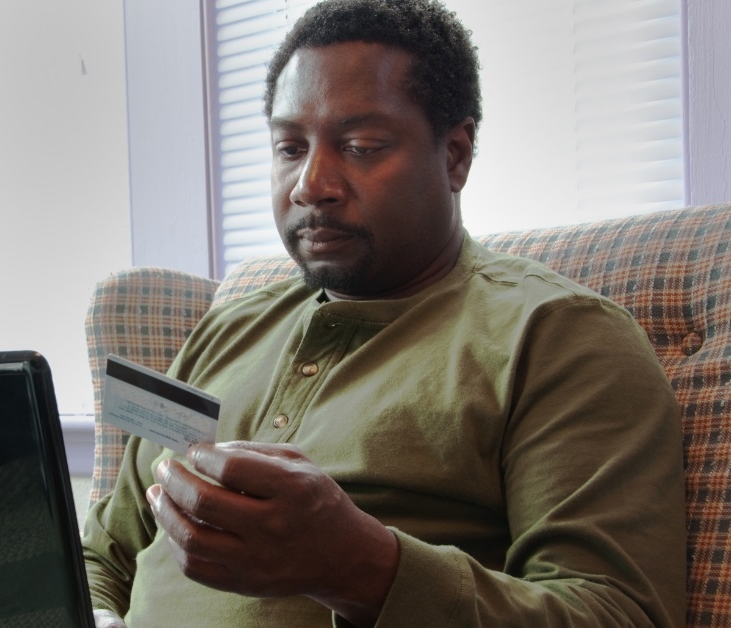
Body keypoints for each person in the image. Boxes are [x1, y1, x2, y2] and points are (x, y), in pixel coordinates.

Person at [81, 0, 687, 626]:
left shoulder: (560, 337)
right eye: (289, 147)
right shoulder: (228, 329)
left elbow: (616, 613)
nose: (310, 184)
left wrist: (358, 568)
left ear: (455, 154)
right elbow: (104, 554)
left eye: (361, 146)